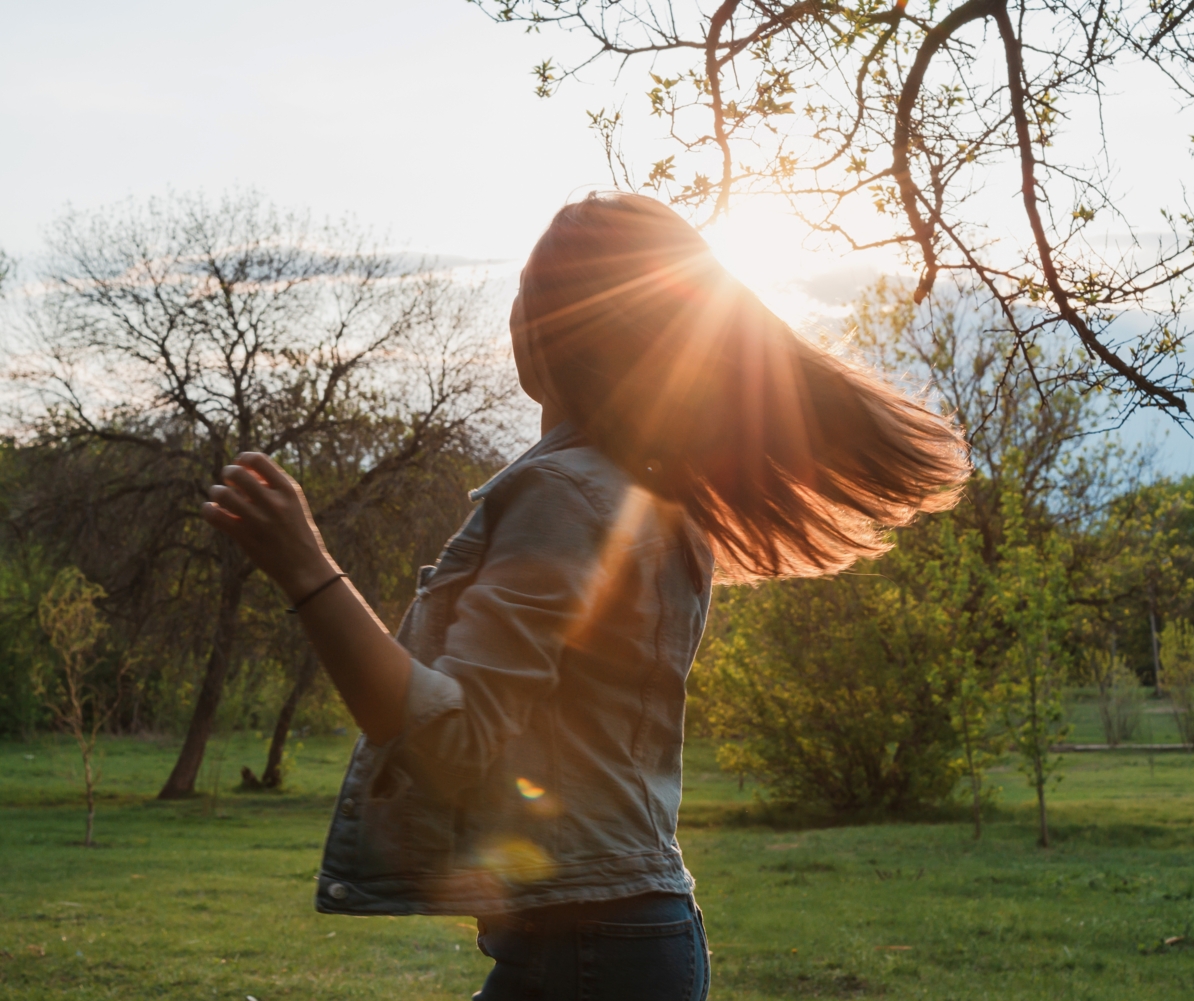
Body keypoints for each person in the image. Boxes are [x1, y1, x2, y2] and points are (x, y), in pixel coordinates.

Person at [200, 192, 969, 1001]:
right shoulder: (649, 495)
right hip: (622, 932)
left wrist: (304, 566)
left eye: (526, 289)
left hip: (589, 946)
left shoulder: (565, 495)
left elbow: (453, 736)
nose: (514, 310)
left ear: (551, 327)